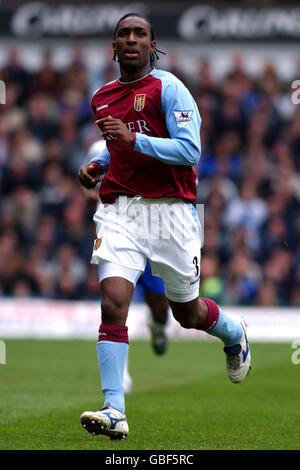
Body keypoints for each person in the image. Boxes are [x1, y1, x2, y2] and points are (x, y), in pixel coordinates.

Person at [78, 13, 251, 440]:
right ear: (114, 46)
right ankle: (114, 408)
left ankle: (234, 334)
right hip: (121, 211)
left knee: (187, 313)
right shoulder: (101, 97)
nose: (131, 39)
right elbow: (120, 150)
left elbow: (190, 150)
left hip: (173, 213)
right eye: (123, 34)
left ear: (152, 45)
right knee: (113, 302)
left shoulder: (169, 88)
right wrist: (100, 164)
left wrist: (131, 140)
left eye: (140, 34)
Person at [82, 139, 169, 393]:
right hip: (116, 234)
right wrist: (90, 196)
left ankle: (158, 325)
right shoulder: (99, 147)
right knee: (116, 306)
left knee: (161, 308)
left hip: (149, 232)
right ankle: (120, 381)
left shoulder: (147, 138)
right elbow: (89, 185)